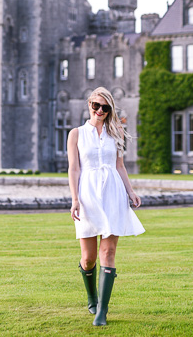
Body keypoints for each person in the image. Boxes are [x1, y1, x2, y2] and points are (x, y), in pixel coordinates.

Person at [67, 86, 145, 326]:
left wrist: (130, 191)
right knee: (89, 258)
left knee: (108, 252)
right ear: (89, 104)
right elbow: (74, 168)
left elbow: (119, 165)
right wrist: (75, 199)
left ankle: (102, 310)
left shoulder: (116, 131)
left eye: (105, 107)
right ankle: (91, 296)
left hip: (113, 193)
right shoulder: (76, 134)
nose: (100, 111)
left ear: (110, 109)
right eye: (96, 105)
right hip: (88, 194)